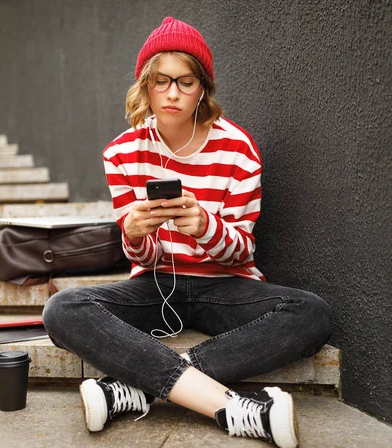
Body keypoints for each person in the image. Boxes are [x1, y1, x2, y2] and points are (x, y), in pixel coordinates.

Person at [43, 16, 332, 448]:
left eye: (185, 82)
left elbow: (241, 252)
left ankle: (136, 387)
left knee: (312, 314)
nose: (173, 93)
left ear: (203, 89)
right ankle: (232, 407)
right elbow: (143, 259)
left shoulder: (238, 149)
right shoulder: (123, 153)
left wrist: (205, 227)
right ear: (146, 85)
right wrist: (136, 237)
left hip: (225, 286)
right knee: (62, 309)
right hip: (156, 286)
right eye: (161, 81)